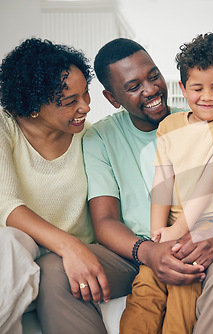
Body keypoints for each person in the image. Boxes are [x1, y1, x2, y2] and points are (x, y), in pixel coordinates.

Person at [84, 37, 213, 334]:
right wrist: (158, 240)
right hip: (163, 239)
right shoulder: (166, 127)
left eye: (153, 76)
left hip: (201, 231)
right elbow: (163, 181)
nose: (151, 89)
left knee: (182, 296)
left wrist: (181, 232)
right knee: (145, 292)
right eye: (133, 86)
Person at [0, 38, 104, 334]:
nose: (85, 106)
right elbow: (5, 203)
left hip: (70, 263)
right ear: (33, 106)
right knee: (9, 241)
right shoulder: (5, 128)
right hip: (19, 258)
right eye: (70, 102)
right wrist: (68, 246)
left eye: (86, 94)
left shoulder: (92, 138)